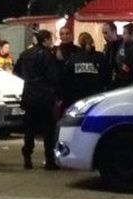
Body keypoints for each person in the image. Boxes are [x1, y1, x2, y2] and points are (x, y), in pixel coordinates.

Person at [13, 29, 61, 170]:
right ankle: (49, 160)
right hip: (45, 95)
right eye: (50, 39)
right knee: (48, 129)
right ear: (45, 39)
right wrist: (59, 94)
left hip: (29, 94)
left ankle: (27, 156)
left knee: (29, 128)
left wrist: (29, 80)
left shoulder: (26, 53)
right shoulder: (47, 55)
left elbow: (16, 71)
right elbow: (53, 76)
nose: (52, 42)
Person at [63, 32, 109, 108]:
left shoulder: (74, 58)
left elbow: (66, 78)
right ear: (92, 42)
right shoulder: (100, 57)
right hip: (96, 97)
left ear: (79, 44)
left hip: (77, 99)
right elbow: (107, 76)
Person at [113, 22, 133, 88]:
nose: (122, 36)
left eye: (124, 33)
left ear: (132, 35)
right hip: (121, 79)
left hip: (130, 83)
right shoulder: (121, 45)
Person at [101, 21, 123, 89]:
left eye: (106, 33)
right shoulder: (107, 46)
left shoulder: (122, 45)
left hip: (119, 82)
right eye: (103, 33)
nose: (104, 36)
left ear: (114, 32)